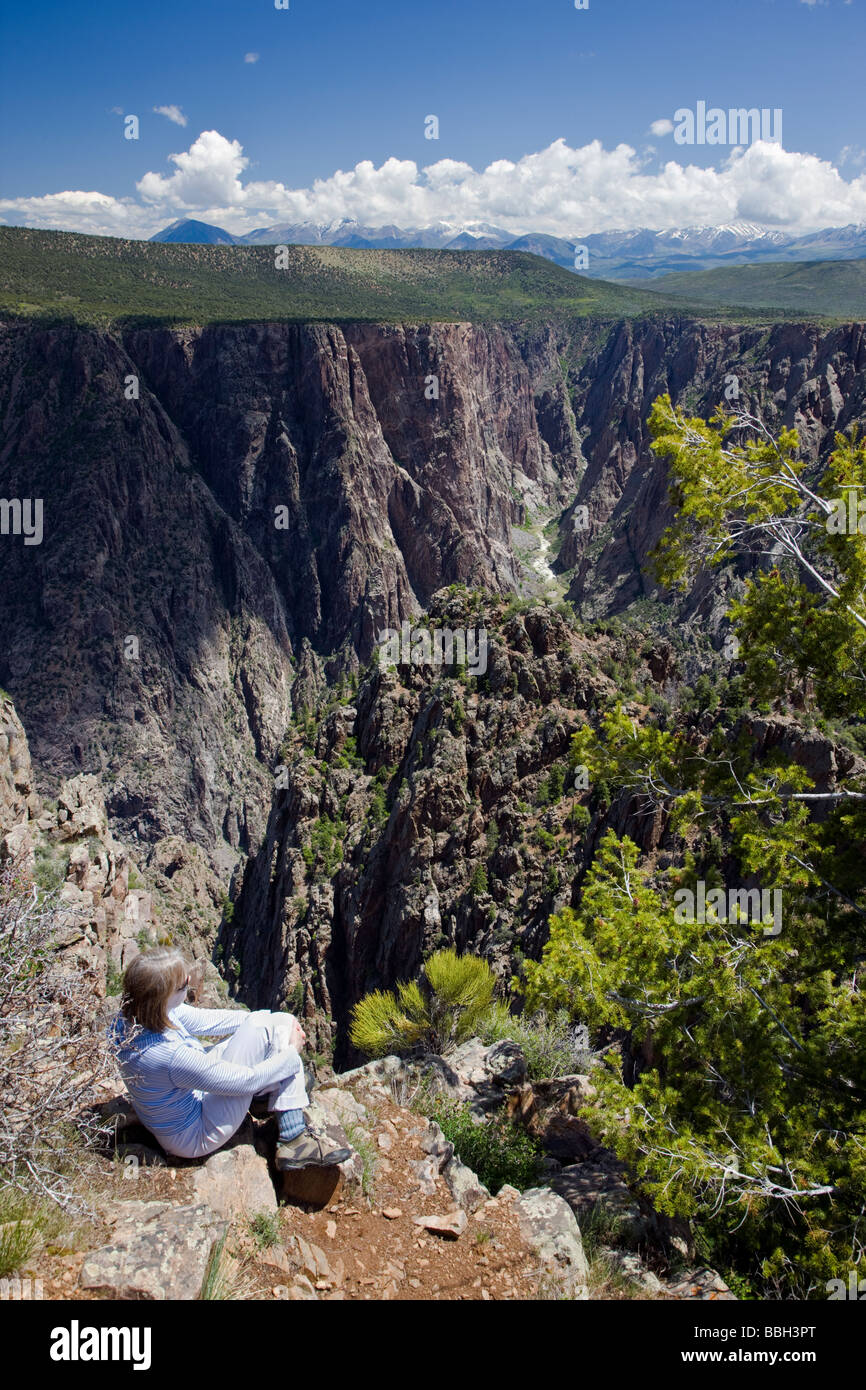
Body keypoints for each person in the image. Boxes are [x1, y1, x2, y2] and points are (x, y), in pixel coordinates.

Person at [110, 947, 350, 1170]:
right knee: (278, 1041)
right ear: (164, 995)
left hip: (182, 1104)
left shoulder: (135, 1015)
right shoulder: (171, 1056)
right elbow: (244, 1081)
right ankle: (294, 1139)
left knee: (274, 1025)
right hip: (197, 1133)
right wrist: (289, 1055)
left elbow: (207, 1022)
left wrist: (266, 1018)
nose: (190, 984)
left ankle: (264, 1096)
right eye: (184, 984)